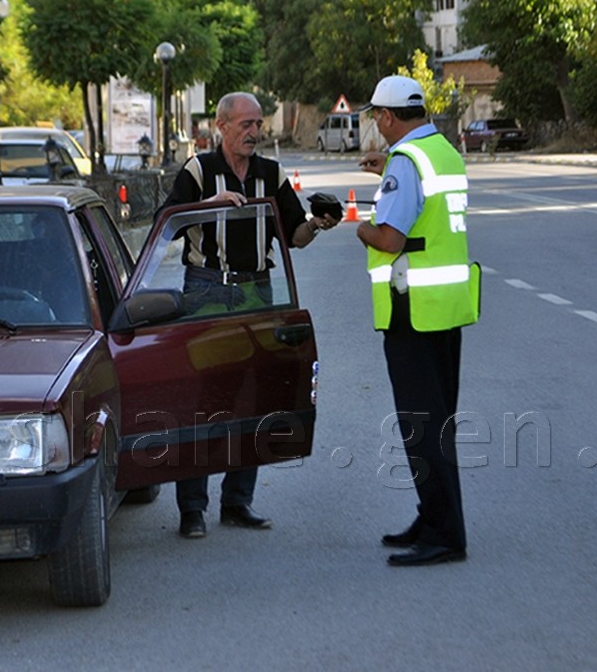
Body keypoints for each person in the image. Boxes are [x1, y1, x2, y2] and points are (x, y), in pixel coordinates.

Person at [158, 91, 339, 539]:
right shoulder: (199, 170)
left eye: (258, 124)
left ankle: (238, 501)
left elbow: (294, 236)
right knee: (203, 399)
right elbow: (166, 224)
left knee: (254, 397)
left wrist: (317, 224)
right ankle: (192, 509)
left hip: (257, 289)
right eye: (246, 124)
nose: (254, 132)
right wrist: (208, 205)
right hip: (207, 288)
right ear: (221, 126)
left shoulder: (271, 174)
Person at [355, 75, 479, 567]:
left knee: (421, 426)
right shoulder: (442, 151)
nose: (376, 125)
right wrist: (388, 170)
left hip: (414, 310)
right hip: (445, 307)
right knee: (437, 422)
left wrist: (361, 227)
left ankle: (445, 535)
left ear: (386, 116)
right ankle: (433, 519)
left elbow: (390, 238)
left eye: (376, 117)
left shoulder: (406, 162)